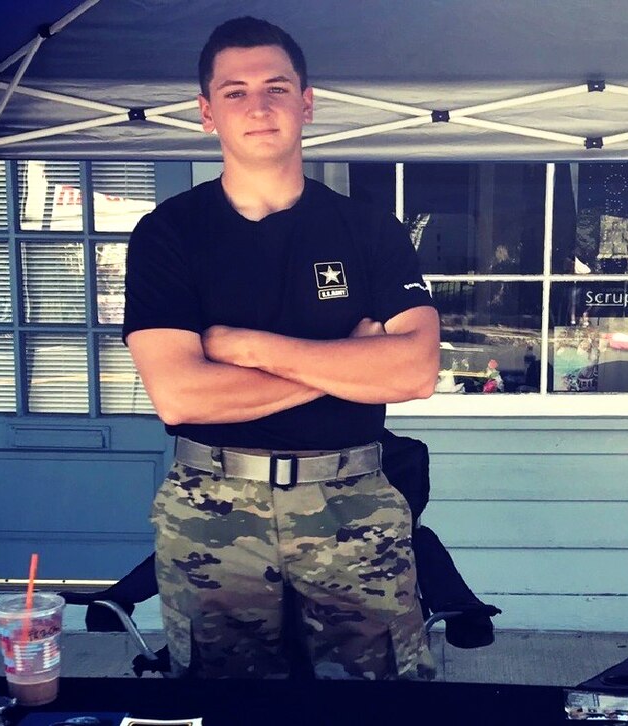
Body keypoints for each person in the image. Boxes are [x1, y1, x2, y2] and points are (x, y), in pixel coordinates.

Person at [123, 16, 439, 680]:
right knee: (223, 703)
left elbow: (413, 369)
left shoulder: (367, 229)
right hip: (211, 508)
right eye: (234, 91)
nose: (258, 106)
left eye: (276, 86)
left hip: (352, 502)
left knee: (379, 702)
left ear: (307, 102)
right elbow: (180, 395)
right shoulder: (168, 234)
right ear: (207, 112)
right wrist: (347, 362)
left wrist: (244, 347)